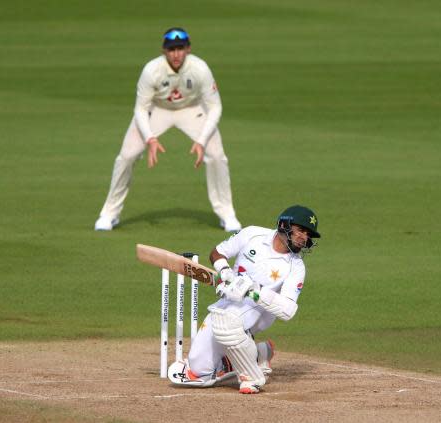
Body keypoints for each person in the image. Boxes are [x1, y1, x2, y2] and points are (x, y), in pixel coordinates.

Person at [94, 27, 241, 232]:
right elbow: (141, 108)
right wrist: (150, 139)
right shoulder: (151, 70)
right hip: (158, 109)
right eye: (171, 49)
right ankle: (110, 214)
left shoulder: (200, 69)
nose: (176, 54)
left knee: (216, 155)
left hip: (192, 109)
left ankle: (227, 214)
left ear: (188, 49)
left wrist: (201, 140)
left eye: (180, 48)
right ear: (164, 51)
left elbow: (215, 106)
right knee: (127, 156)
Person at [167, 205, 321, 394]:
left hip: (258, 311)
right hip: (227, 304)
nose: (304, 238)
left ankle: (253, 376)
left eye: (308, 234)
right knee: (199, 370)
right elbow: (217, 252)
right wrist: (224, 271)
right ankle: (253, 355)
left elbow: (287, 311)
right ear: (284, 224)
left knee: (227, 321)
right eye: (301, 230)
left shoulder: (296, 267)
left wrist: (252, 291)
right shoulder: (253, 234)